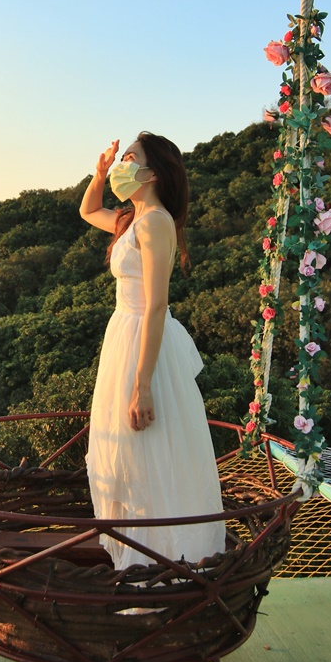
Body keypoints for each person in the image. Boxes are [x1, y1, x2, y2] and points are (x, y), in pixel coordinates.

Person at [80, 132, 226, 571]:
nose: (124, 164)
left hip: (144, 341)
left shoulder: (156, 222)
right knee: (128, 455)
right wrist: (101, 171)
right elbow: (88, 210)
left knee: (151, 452)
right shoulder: (132, 219)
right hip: (122, 336)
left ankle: (163, 565)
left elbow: (158, 304)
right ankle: (137, 562)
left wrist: (143, 384)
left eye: (130, 158)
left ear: (152, 172)